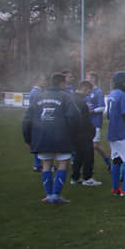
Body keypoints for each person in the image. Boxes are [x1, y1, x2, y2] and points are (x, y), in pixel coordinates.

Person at [22, 72, 80, 203]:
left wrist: (27, 138)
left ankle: (48, 194)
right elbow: (75, 117)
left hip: (42, 136)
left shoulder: (39, 97)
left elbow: (26, 119)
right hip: (61, 136)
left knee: (46, 163)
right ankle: (56, 195)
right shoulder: (66, 97)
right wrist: (73, 134)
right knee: (63, 162)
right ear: (62, 83)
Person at [69, 80, 100, 186]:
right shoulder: (80, 101)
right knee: (88, 155)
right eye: (88, 91)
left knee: (79, 156)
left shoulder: (71, 98)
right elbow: (83, 119)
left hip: (75, 133)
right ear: (84, 88)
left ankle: (75, 177)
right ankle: (87, 178)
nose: (88, 94)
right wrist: (91, 130)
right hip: (83, 133)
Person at [85, 72, 111, 171]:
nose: (86, 79)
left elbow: (102, 107)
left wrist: (92, 111)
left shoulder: (98, 92)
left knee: (95, 145)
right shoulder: (86, 91)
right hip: (86, 122)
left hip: (95, 122)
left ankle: (108, 163)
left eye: (88, 77)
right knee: (87, 145)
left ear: (93, 79)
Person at [27, 73, 46, 172]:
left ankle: (39, 164)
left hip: (37, 120)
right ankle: (38, 165)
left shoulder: (36, 92)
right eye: (43, 80)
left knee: (40, 142)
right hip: (37, 121)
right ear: (38, 81)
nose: (45, 82)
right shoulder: (36, 93)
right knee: (39, 143)